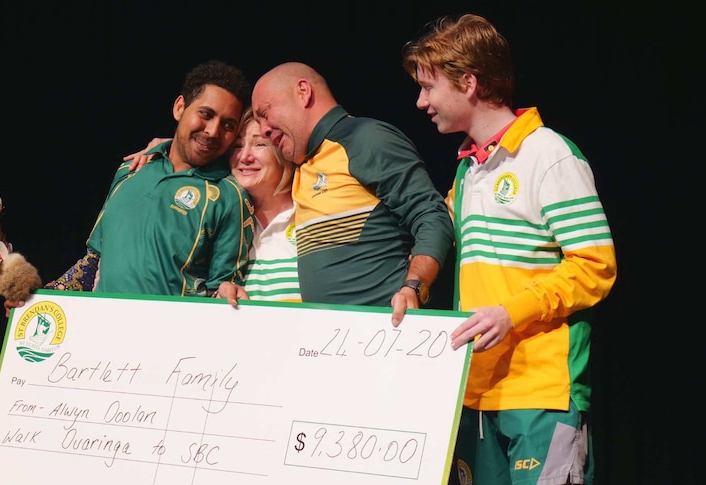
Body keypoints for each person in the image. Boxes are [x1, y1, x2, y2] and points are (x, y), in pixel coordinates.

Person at [402, 14, 617, 485]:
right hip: (476, 393)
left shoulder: (548, 154)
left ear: (469, 83)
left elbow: (595, 268)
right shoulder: (468, 171)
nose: (421, 102)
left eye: (428, 87)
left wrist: (510, 312)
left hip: (539, 392)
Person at [4, 59, 254, 315]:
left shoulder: (229, 195)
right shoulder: (130, 170)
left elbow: (221, 295)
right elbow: (94, 263)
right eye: (206, 114)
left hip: (167, 349)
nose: (213, 131)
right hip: (98, 340)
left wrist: (225, 292)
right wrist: (39, 301)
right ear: (180, 108)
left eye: (228, 125)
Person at [251, 62, 454, 324]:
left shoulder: (365, 139)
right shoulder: (304, 166)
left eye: (265, 113)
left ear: (303, 92)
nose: (264, 129)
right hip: (332, 347)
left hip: (385, 337)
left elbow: (432, 217)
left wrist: (414, 287)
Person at [124, 106, 300, 306]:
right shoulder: (217, 220)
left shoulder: (310, 214)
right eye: (237, 146)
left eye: (259, 144)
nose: (245, 157)